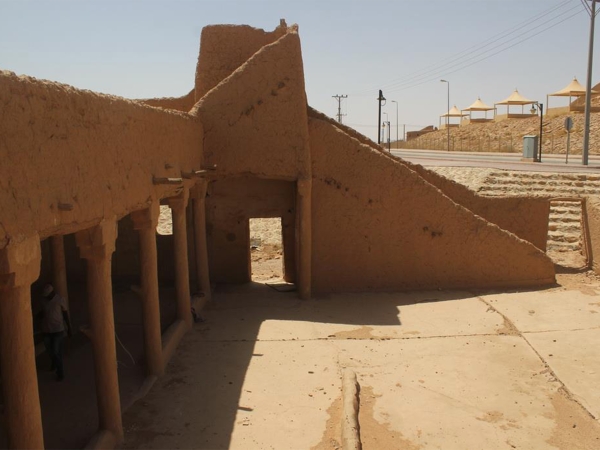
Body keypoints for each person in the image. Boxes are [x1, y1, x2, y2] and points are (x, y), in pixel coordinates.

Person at [40, 283, 72, 381]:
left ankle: (60, 372)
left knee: (55, 351)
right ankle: (54, 363)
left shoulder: (60, 300)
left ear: (52, 293)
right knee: (49, 350)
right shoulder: (45, 301)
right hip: (46, 330)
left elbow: (65, 313)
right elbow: (43, 313)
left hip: (58, 330)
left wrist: (69, 327)